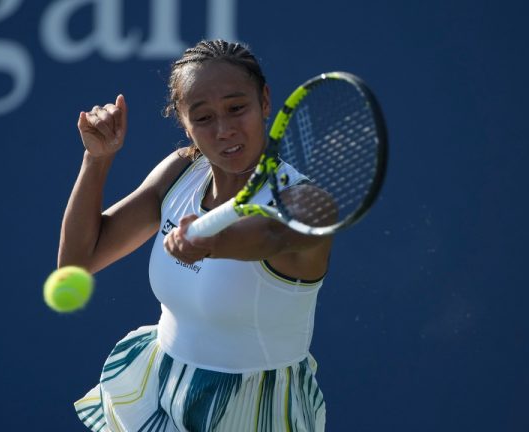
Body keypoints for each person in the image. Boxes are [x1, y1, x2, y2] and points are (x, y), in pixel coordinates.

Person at [62, 39, 331, 432]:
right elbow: (77, 263)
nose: (224, 130)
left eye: (237, 108)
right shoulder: (179, 174)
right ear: (184, 124)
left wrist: (212, 243)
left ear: (266, 101)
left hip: (256, 411)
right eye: (203, 117)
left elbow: (272, 235)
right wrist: (97, 160)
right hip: (163, 384)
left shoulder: (308, 204)